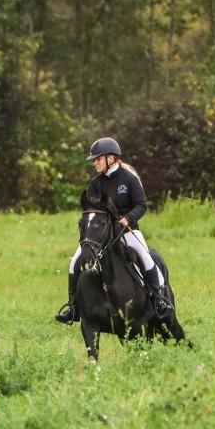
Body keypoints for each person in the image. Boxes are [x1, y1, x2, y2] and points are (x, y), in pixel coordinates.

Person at [54, 137, 174, 325]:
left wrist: (128, 218)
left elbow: (141, 205)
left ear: (110, 158)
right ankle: (73, 307)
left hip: (128, 231)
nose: (95, 163)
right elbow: (91, 209)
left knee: (147, 258)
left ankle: (159, 300)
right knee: (75, 262)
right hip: (102, 236)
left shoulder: (129, 179)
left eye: (97, 159)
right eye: (94, 160)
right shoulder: (95, 184)